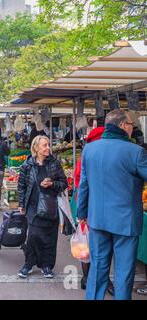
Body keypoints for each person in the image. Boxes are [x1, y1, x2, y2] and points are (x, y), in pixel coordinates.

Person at [76, 109, 147, 300]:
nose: (133, 128)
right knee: (123, 273)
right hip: (126, 222)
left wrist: (82, 213)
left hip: (97, 219)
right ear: (123, 126)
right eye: (132, 124)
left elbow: (84, 185)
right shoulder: (136, 152)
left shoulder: (90, 149)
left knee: (98, 268)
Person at [70, 126, 115, 295]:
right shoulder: (91, 155)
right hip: (91, 206)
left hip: (91, 205)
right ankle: (91, 278)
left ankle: (91, 278)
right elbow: (80, 182)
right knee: (92, 244)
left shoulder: (88, 153)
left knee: (89, 245)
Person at [17, 135, 67, 279]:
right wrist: (21, 204)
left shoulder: (54, 163)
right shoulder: (27, 165)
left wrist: (52, 183)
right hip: (33, 206)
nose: (48, 148)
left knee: (50, 237)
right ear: (36, 148)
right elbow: (21, 186)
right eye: (44, 145)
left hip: (50, 205)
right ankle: (28, 264)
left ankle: (47, 266)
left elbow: (64, 183)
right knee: (33, 236)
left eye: (48, 145)